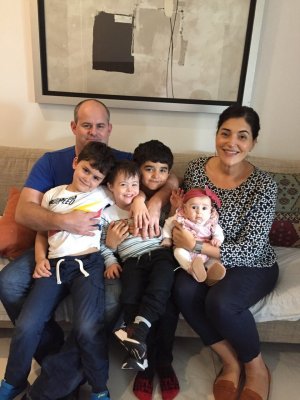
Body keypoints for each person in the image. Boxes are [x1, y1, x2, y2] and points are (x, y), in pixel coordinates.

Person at [0, 99, 177, 399]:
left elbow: (169, 177)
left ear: (109, 129)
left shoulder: (120, 161)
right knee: (9, 282)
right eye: (86, 125)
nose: (93, 132)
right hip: (54, 244)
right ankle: (57, 358)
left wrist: (146, 201)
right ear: (73, 127)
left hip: (95, 252)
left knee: (105, 307)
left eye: (99, 126)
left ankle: (58, 380)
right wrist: (63, 221)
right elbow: (24, 213)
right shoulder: (51, 162)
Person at [172, 104, 278, 400]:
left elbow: (252, 247)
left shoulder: (264, 185)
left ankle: (256, 367)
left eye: (242, 136)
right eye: (225, 133)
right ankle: (230, 361)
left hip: (254, 263)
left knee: (221, 302)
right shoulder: (196, 169)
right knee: (182, 288)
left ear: (253, 142)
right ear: (216, 135)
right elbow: (178, 201)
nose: (232, 143)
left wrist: (194, 245)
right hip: (204, 260)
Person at [0, 142, 115, 400]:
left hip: (88, 265)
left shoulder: (103, 195)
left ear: (103, 180)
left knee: (88, 327)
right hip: (54, 264)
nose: (88, 180)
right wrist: (40, 258)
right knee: (27, 326)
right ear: (75, 163)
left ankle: (99, 387)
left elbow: (131, 190)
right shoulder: (52, 194)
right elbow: (42, 230)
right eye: (85, 170)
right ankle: (12, 381)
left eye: (96, 177)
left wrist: (140, 201)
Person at [102, 141, 180, 400]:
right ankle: (143, 367)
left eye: (162, 170)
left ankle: (164, 362)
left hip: (162, 258)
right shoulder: (124, 193)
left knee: (166, 306)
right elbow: (104, 233)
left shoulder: (170, 193)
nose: (156, 176)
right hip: (133, 261)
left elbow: (174, 183)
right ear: (136, 170)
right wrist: (137, 198)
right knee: (132, 301)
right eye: (149, 169)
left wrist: (150, 200)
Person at [162, 187, 226, 285]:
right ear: (185, 208)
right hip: (186, 250)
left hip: (205, 249)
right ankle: (191, 269)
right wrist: (167, 238)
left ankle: (210, 276)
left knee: (216, 259)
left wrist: (217, 239)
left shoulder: (211, 221)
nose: (199, 212)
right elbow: (168, 224)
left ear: (210, 210)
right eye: (194, 207)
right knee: (178, 252)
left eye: (204, 208)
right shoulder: (180, 217)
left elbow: (218, 231)